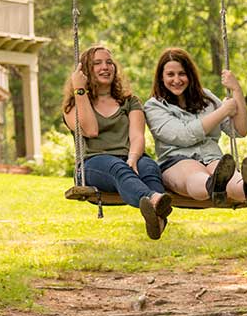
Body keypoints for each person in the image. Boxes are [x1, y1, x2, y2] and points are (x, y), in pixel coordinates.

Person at [63, 45, 172, 239]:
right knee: (116, 167)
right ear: (86, 70)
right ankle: (155, 200)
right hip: (93, 163)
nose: (105, 67)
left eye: (109, 62)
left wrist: (133, 157)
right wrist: (80, 90)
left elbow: (138, 136)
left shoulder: (129, 101)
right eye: (97, 63)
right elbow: (91, 130)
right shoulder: (73, 105)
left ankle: (156, 218)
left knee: (149, 167)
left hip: (129, 156)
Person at [143, 47, 247, 209]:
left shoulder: (206, 97)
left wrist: (236, 90)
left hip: (212, 157)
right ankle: (214, 186)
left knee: (233, 181)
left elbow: (240, 130)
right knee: (194, 175)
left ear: (190, 75)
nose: (177, 79)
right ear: (161, 77)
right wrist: (223, 111)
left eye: (182, 73)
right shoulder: (154, 106)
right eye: (170, 74)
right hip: (177, 160)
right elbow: (183, 136)